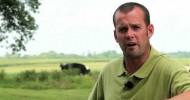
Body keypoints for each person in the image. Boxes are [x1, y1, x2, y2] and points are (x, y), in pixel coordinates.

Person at [88, 2, 190, 100]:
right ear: (115, 36)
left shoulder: (169, 69)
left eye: (136, 27)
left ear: (149, 31)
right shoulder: (109, 71)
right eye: (123, 29)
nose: (129, 35)